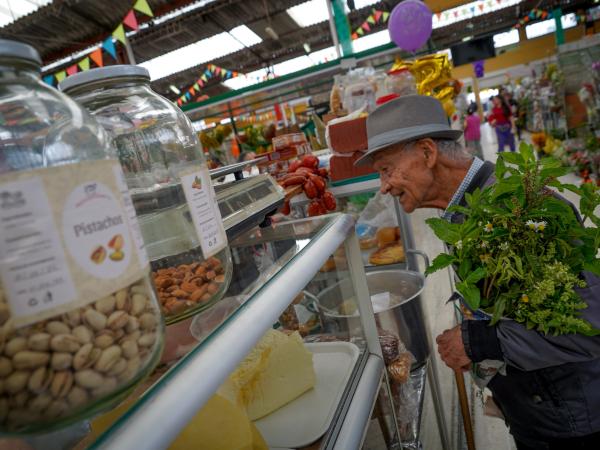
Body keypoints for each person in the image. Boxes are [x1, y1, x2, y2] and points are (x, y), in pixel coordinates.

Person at [355, 95, 600, 449]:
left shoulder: (524, 209)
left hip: (573, 423)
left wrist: (479, 342)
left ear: (427, 152)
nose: (384, 186)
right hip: (538, 411)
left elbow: (589, 323)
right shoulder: (465, 211)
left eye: (386, 169)